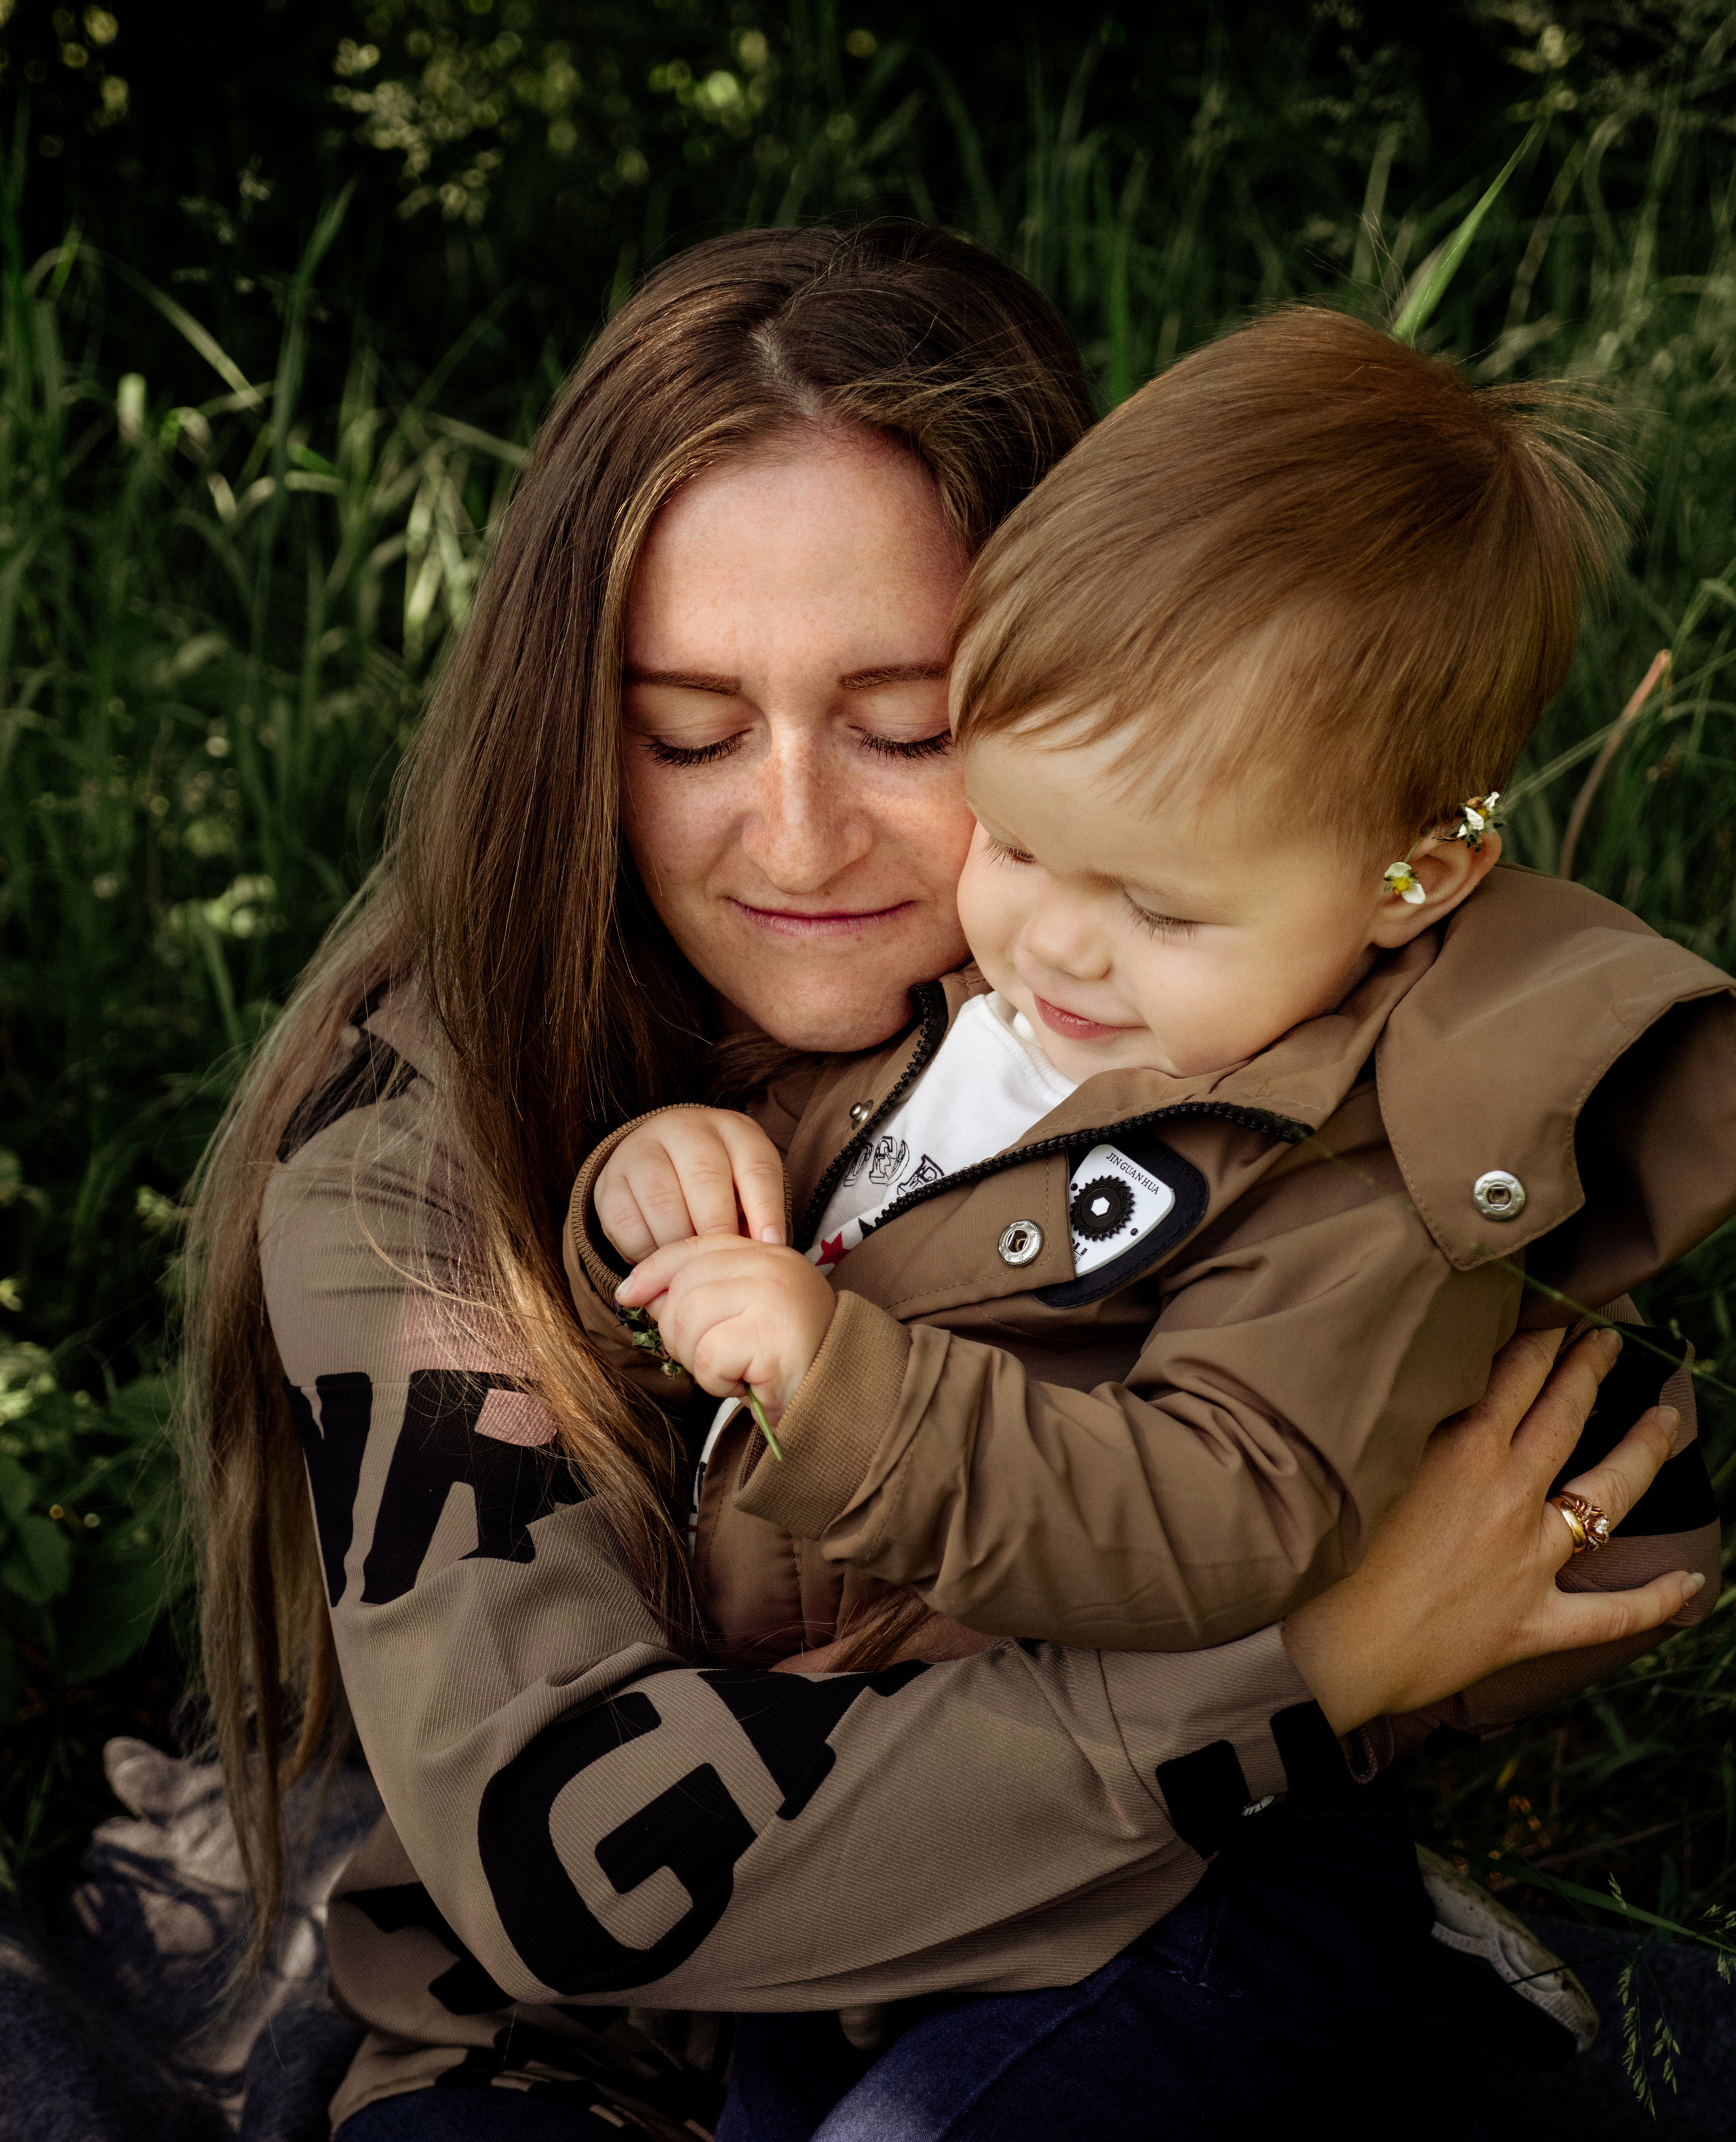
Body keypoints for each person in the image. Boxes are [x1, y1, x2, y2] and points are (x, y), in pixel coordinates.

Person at [180, 222, 1708, 2142]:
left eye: (910, 727)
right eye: (688, 731)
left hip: (1107, 1922)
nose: (803, 832)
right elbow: (564, 1851)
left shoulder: (1182, 1012)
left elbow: (1529, 1497)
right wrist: (1311, 1676)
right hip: (567, 2037)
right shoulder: (412, 1152)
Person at [589, 307, 1729, 1684]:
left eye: (1161, 907)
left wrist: (844, 1391)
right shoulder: (976, 997)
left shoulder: (1358, 1185)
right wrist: (660, 1181)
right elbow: (823, 1188)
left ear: (1411, 880)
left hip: (1024, 1776)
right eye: (1011, 842)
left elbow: (1224, 1514)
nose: (1053, 944)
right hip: (743, 1677)